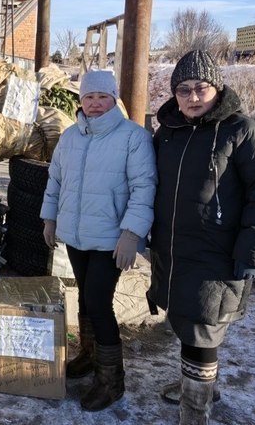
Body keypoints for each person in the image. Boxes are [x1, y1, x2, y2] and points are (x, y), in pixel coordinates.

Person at [147, 50, 255, 424]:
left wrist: (252, 252)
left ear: (217, 89)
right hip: (174, 248)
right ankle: (201, 384)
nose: (192, 97)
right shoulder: (169, 132)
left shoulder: (243, 132)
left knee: (203, 329)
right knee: (185, 321)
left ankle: (196, 410)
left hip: (217, 252)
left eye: (200, 88)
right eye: (184, 89)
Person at [41, 69, 156, 412]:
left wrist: (131, 234)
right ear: (81, 101)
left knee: (98, 302)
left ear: (114, 99)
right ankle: (89, 356)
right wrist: (49, 218)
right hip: (77, 235)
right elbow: (55, 181)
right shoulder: (70, 137)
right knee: (85, 301)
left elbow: (143, 188)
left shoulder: (133, 137)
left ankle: (112, 380)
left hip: (111, 240)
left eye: (102, 97)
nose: (94, 104)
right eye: (88, 97)